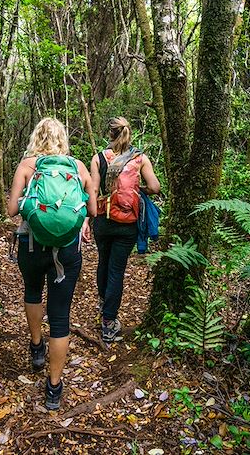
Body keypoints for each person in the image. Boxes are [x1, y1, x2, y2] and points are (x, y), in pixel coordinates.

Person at [7, 117, 97, 410]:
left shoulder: (27, 166)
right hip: (67, 251)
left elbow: (11, 211)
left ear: (36, 137)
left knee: (32, 291)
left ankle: (36, 347)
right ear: (63, 139)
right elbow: (93, 209)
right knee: (60, 318)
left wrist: (31, 205)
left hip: (31, 246)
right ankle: (54, 389)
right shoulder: (78, 167)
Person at [82, 117, 160, 342]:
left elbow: (93, 191)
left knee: (103, 263)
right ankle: (109, 322)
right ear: (129, 134)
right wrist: (139, 189)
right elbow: (155, 187)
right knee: (116, 270)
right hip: (127, 224)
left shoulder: (98, 158)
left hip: (104, 221)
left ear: (110, 134)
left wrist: (87, 221)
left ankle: (103, 302)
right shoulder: (140, 158)